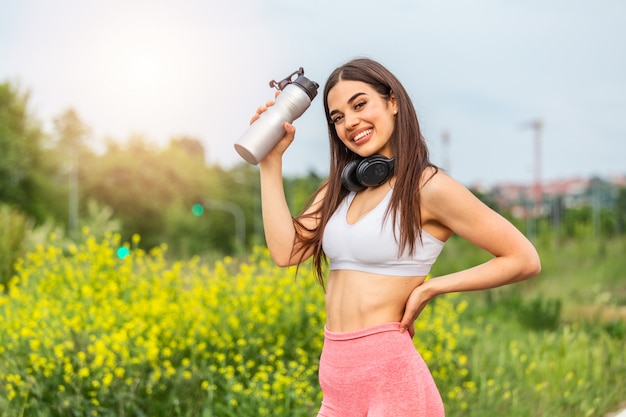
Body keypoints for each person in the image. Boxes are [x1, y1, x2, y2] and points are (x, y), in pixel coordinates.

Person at [250, 57, 541, 417]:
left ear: (392, 101)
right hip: (337, 383)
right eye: (337, 117)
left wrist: (431, 288)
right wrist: (270, 163)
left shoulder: (428, 187)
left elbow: (523, 258)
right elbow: (286, 251)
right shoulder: (340, 188)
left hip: (391, 381)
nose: (350, 122)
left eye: (359, 104)